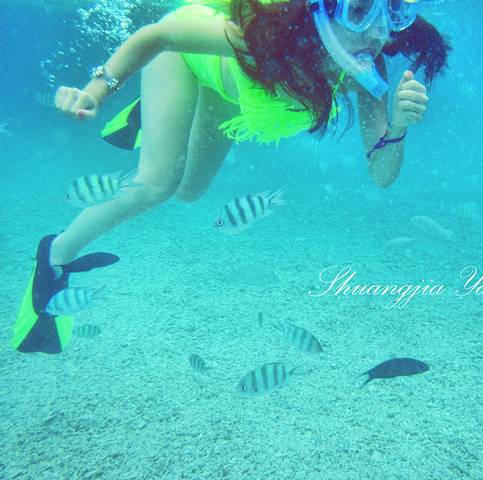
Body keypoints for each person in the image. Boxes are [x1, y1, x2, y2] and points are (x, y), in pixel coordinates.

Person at [13, 0, 451, 353]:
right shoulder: (267, 37)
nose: (377, 33)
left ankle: (155, 114)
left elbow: (381, 176)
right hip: (183, 59)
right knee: (156, 185)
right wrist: (95, 92)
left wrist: (398, 128)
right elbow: (159, 35)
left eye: (393, 12)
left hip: (224, 93)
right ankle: (56, 254)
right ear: (324, 8)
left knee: (189, 192)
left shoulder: (366, 76)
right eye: (359, 11)